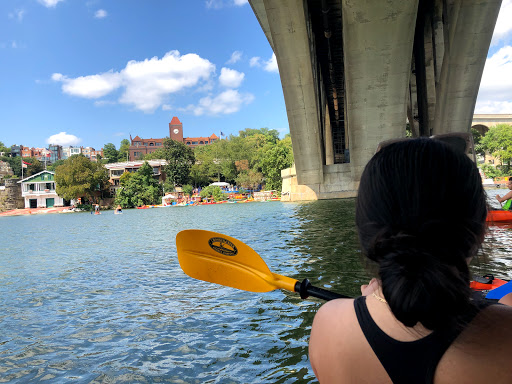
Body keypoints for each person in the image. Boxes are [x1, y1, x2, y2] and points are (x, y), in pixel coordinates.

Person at [309, 138, 512, 384]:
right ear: (481, 230)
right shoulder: (504, 333)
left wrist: (370, 301)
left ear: (365, 232)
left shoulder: (327, 324)